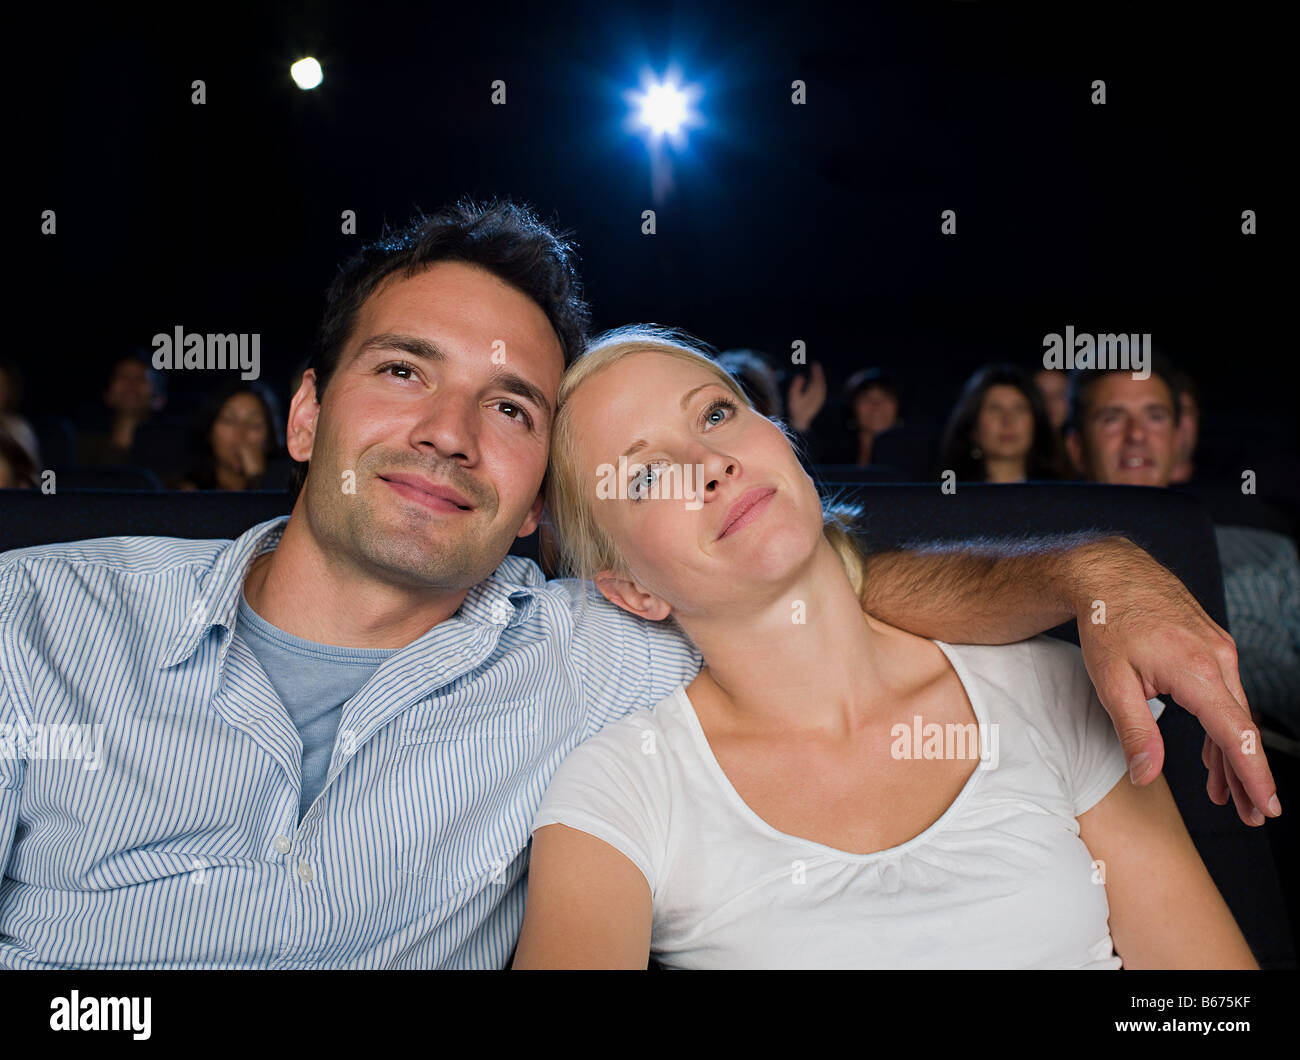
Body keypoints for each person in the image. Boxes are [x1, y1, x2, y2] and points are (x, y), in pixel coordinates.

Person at [0, 201, 1276, 970]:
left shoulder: (574, 652)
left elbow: (835, 588)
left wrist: (1098, 570)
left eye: (508, 405)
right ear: (304, 416)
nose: (451, 429)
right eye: (403, 372)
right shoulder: (42, 622)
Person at [512, 328, 1256, 969]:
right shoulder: (622, 786)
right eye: (646, 474)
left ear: (781, 439)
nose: (709, 462)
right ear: (631, 588)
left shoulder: (1049, 684)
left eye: (716, 413)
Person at [1065, 357, 1300, 738]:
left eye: (1154, 416)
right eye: (1112, 417)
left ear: (1179, 440)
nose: (1136, 435)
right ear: (1077, 448)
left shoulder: (1269, 554)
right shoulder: (1050, 570)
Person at [938, 363, 1058, 482]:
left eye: (1019, 409)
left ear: (1036, 422)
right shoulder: (949, 495)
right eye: (995, 409)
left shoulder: (1061, 494)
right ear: (973, 427)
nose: (1007, 421)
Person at [177, 380, 286, 491]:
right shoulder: (185, 492)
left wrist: (259, 480)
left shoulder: (289, 490)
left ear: (270, 438)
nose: (240, 434)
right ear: (210, 431)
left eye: (254, 425)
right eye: (229, 421)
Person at [75, 351, 168, 466]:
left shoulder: (171, 455)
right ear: (107, 394)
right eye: (123, 376)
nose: (131, 383)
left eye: (142, 378)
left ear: (159, 399)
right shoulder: (79, 450)